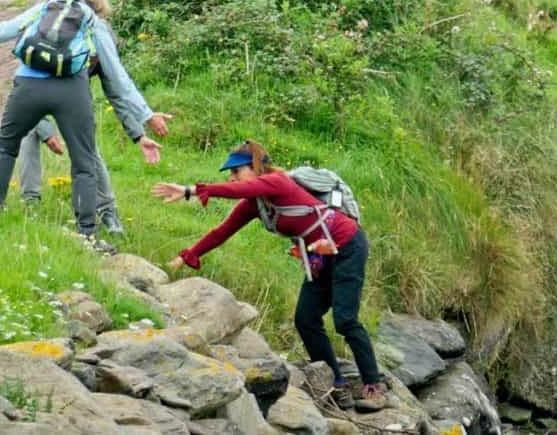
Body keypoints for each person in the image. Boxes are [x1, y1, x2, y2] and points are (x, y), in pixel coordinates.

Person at [151, 140, 388, 412]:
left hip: (348, 245)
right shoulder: (255, 205)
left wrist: (192, 190)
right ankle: (336, 384)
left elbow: (241, 189)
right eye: (230, 175)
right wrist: (188, 255)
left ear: (253, 167)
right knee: (306, 319)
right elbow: (222, 232)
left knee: (345, 320)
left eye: (236, 172)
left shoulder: (278, 182)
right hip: (319, 255)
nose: (232, 178)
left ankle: (374, 385)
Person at [0, 0, 164, 251]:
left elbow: (4, 30)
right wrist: (146, 114)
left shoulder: (46, 7)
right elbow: (117, 77)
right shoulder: (95, 23)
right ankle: (87, 234)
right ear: (100, 1)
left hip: (27, 86)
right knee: (83, 161)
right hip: (71, 91)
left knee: (6, 145)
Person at [15, 0, 171, 235]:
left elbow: (115, 89)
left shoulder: (101, 33)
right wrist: (46, 130)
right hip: (36, 92)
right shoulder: (44, 23)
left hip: (74, 99)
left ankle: (108, 212)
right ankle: (31, 202)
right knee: (28, 131)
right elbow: (24, 85)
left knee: (87, 149)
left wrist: (139, 134)